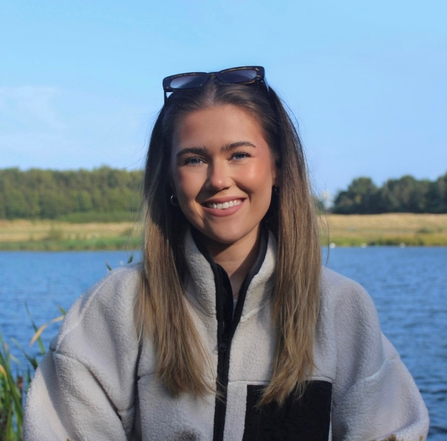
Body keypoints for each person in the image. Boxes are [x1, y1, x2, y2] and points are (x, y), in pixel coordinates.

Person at [24, 66, 429, 440]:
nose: (219, 180)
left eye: (239, 154)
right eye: (194, 159)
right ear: (169, 176)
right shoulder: (113, 310)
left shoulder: (342, 310)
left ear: (278, 167)